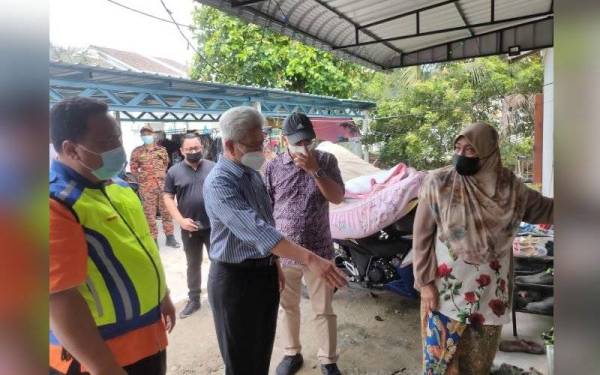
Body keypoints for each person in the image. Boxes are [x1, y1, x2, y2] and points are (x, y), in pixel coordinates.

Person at [203, 106, 348, 375]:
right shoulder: (221, 183)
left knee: (260, 352)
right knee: (241, 360)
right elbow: (258, 230)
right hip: (237, 279)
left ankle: (328, 359)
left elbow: (267, 216)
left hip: (273, 264)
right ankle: (292, 354)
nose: (261, 150)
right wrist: (304, 258)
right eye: (255, 145)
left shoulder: (252, 173)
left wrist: (273, 263)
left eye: (261, 142)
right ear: (230, 145)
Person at [412, 122, 553, 375]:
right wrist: (424, 284)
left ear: (488, 153)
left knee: (477, 367)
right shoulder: (438, 184)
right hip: (445, 294)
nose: (461, 155)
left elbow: (547, 208)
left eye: (470, 150)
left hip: (490, 296)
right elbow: (421, 237)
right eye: (458, 148)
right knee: (440, 365)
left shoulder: (511, 190)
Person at [49, 97, 176, 375]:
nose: (118, 148)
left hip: (146, 339)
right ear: (72, 149)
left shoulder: (117, 186)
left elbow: (141, 247)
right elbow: (59, 299)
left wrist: (162, 295)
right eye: (107, 141)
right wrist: (104, 368)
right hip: (100, 357)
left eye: (117, 137)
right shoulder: (54, 203)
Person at [264, 113, 345, 375]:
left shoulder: (326, 161)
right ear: (284, 139)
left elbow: (337, 197)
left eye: (309, 140)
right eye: (298, 142)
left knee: (324, 309)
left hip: (320, 251)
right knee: (288, 306)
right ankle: (291, 353)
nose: (304, 146)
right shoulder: (272, 167)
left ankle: (328, 359)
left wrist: (314, 170)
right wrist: (272, 254)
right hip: (285, 251)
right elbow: (266, 211)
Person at [163, 133, 215, 319]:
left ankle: (217, 295)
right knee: (193, 263)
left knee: (218, 262)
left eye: (197, 148)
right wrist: (180, 220)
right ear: (182, 151)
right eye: (190, 149)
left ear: (202, 148)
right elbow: (167, 197)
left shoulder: (213, 168)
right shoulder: (173, 172)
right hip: (189, 227)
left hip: (214, 227)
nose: (194, 151)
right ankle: (194, 299)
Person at [130, 124, 180, 248]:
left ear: (153, 135)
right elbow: (133, 169)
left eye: (148, 134)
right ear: (141, 136)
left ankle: (170, 237)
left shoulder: (161, 150)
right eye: (144, 134)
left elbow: (165, 164)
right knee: (149, 215)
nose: (146, 136)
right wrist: (143, 180)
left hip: (163, 186)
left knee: (167, 212)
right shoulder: (137, 152)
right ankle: (153, 240)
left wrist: (160, 176)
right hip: (147, 188)